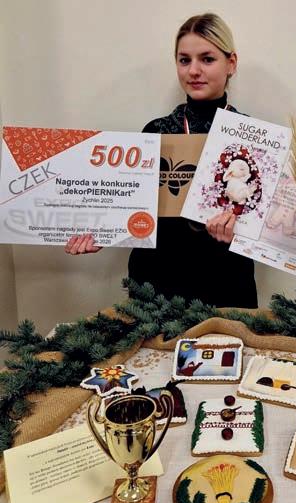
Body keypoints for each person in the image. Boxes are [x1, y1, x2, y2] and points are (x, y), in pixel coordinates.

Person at [65, 13, 258, 308]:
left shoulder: (254, 138)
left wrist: (240, 231)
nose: (194, 70)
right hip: (157, 285)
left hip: (225, 284)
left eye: (207, 59)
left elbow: (265, 229)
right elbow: (133, 209)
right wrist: (104, 231)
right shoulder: (155, 132)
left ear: (231, 63)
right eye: (184, 60)